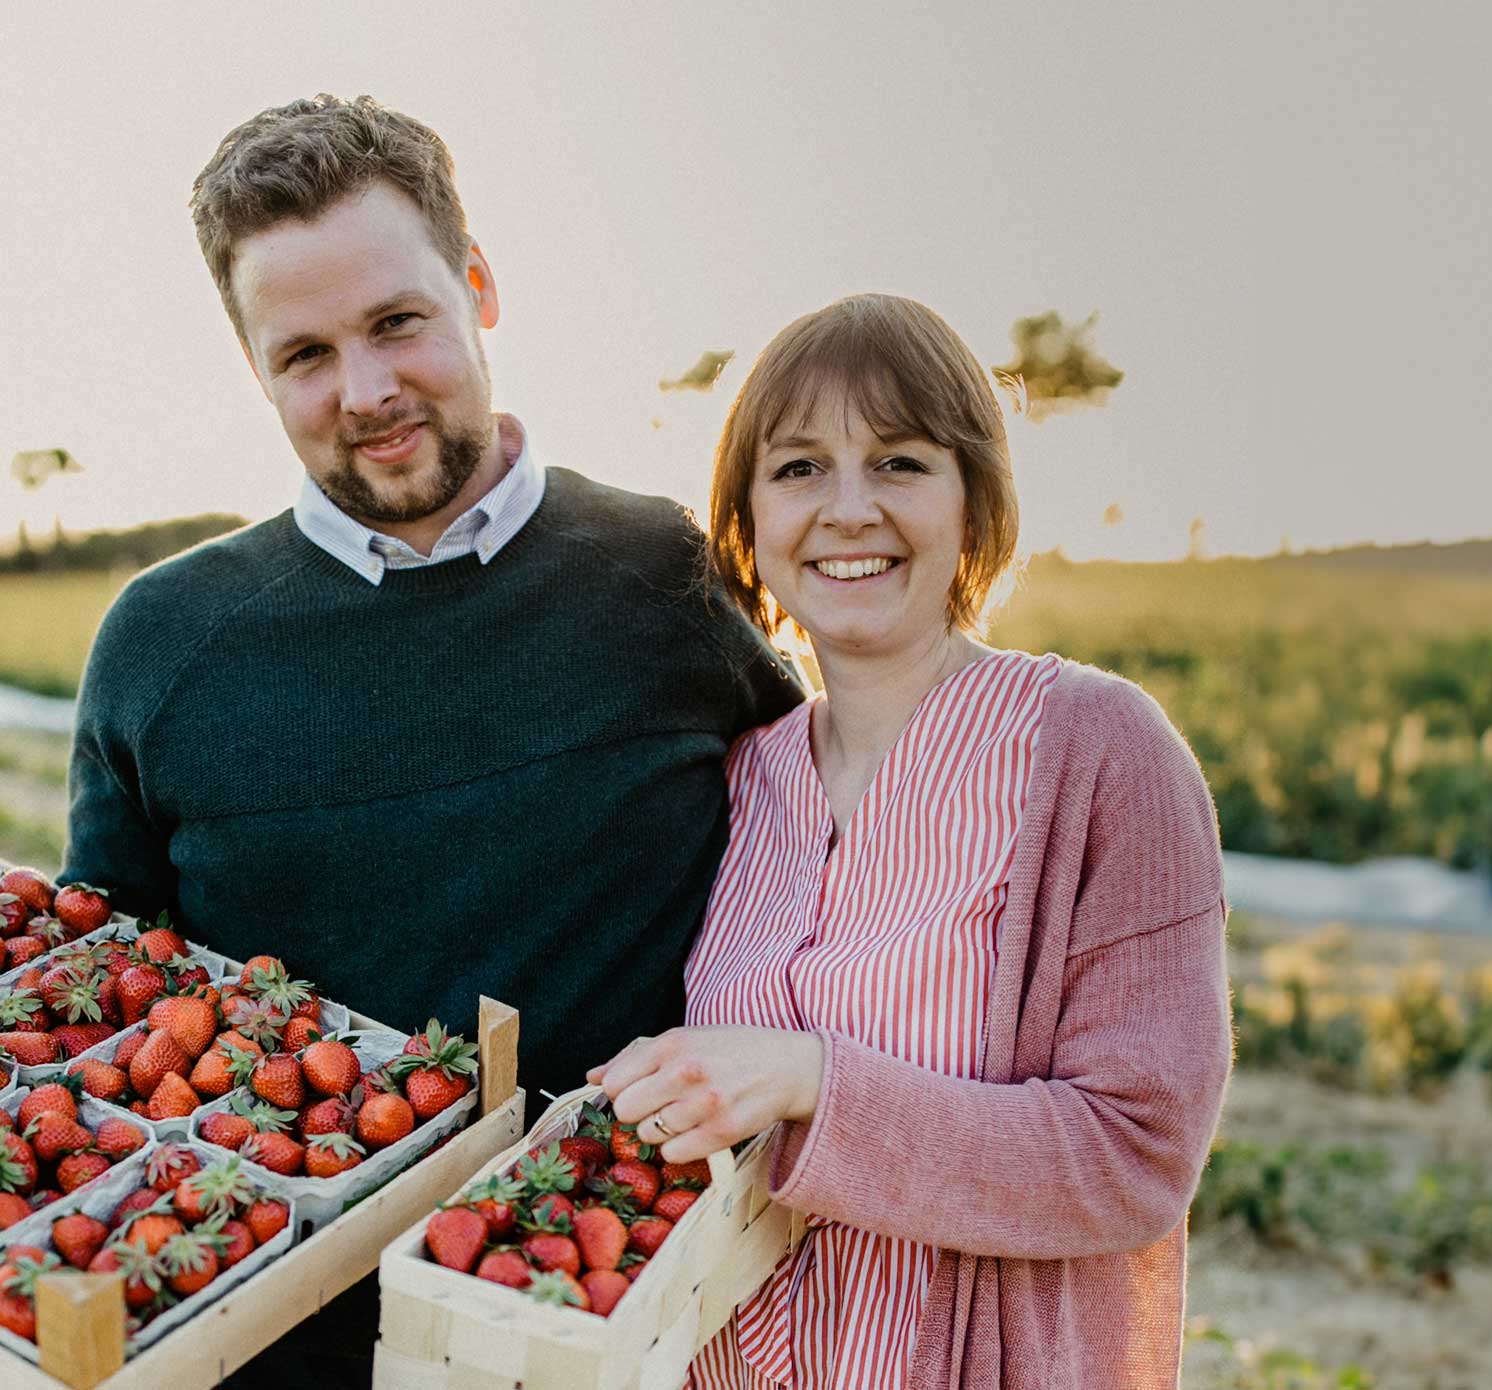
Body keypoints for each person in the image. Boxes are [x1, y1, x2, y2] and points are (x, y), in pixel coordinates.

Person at [62, 95, 802, 1384]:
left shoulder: (667, 577)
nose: (365, 391)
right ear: (253, 366)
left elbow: (839, 861)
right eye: (303, 354)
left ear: (478, 285)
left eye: (397, 322)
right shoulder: (162, 644)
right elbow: (96, 1032)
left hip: (615, 1309)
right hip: (267, 1344)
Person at [590, 294, 1230, 1389]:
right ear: (745, 517)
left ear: (974, 501)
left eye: (898, 461)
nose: (847, 509)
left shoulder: (1096, 752)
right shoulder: (744, 778)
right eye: (797, 468)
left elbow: (1135, 1158)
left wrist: (808, 1077)